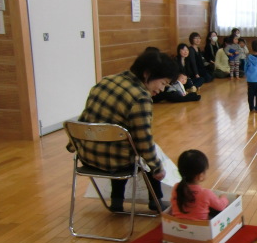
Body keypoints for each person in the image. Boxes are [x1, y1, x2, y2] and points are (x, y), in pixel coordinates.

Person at [71, 47, 179, 212]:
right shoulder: (140, 97)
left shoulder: (106, 81)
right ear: (147, 74)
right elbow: (143, 141)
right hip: (115, 161)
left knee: (118, 142)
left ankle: (117, 201)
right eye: (163, 83)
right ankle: (156, 201)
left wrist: (72, 145)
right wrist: (157, 169)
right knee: (148, 152)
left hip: (86, 156)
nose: (162, 89)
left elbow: (85, 117)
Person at [171, 149, 229, 220]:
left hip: (178, 225)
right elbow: (221, 206)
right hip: (200, 226)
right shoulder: (206, 193)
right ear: (200, 175)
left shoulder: (176, 188)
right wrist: (224, 197)